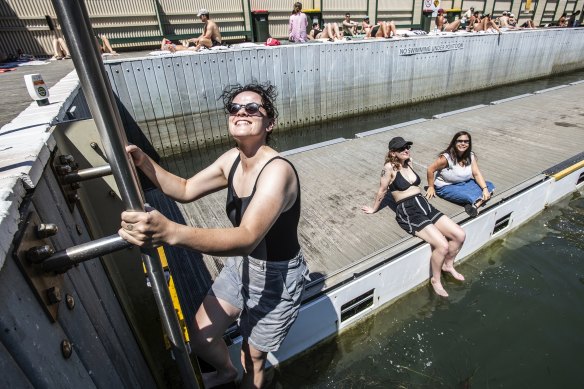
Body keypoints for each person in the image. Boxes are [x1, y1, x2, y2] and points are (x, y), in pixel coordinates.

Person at [119, 82, 309, 388]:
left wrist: (170, 231)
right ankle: (224, 373)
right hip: (242, 265)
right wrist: (143, 161)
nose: (241, 112)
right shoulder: (231, 160)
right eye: (234, 108)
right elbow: (184, 189)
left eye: (252, 108)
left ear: (269, 122)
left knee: (252, 359)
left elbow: (247, 236)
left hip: (277, 277)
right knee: (201, 337)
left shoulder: (278, 170)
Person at [362, 137, 466, 297]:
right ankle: (436, 281)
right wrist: (374, 209)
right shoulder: (388, 167)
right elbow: (382, 190)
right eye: (402, 148)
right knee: (443, 246)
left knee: (459, 235)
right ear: (392, 152)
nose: (406, 150)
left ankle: (448, 265)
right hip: (408, 210)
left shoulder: (408, 162)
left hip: (424, 205)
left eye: (407, 147)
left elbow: (414, 173)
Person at [426, 131, 495, 218]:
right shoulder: (446, 158)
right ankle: (474, 202)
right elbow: (430, 170)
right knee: (470, 196)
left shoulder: (470, 155)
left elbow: (476, 173)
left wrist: (485, 189)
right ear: (454, 142)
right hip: (447, 186)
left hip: (465, 183)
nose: (463, 143)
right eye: (460, 141)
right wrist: (431, 187)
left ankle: (475, 205)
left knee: (489, 185)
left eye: (466, 141)